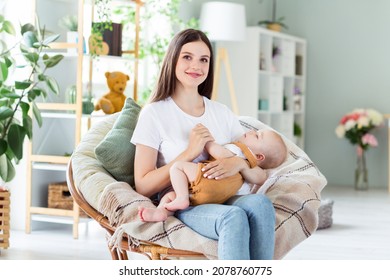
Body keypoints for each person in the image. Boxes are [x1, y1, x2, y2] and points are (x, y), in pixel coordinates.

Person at [131, 28, 276, 260]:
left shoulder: (222, 113)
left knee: (260, 204)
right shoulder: (154, 114)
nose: (196, 66)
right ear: (173, 60)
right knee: (233, 217)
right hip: (186, 203)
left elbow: (255, 165)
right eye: (187, 57)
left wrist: (238, 164)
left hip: (225, 194)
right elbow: (143, 185)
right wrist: (189, 152)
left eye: (204, 60)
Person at [138, 128, 287, 222]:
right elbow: (258, 180)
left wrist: (207, 143)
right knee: (171, 195)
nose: (252, 131)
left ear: (259, 157)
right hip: (219, 198)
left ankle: (180, 199)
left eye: (257, 136)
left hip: (208, 179)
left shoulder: (241, 150)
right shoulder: (249, 171)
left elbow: (220, 154)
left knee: (177, 168)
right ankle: (162, 213)